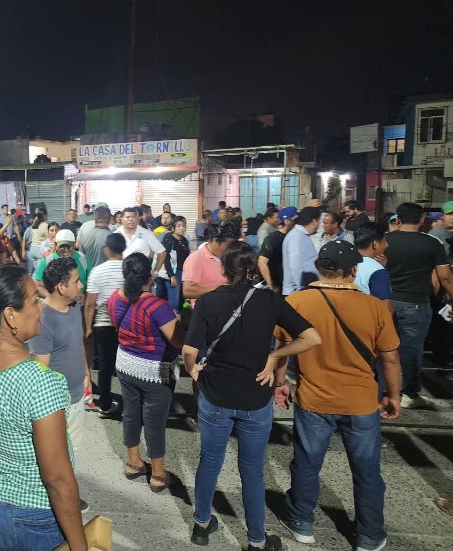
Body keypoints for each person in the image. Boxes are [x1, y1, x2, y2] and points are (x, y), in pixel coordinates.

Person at [183, 242, 320, 550]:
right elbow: (312, 337)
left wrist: (194, 370)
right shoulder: (271, 301)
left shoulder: (208, 301)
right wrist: (275, 356)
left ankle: (201, 525)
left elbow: (189, 350)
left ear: (223, 269)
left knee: (210, 461)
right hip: (255, 399)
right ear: (253, 269)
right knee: (252, 471)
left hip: (215, 395)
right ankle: (256, 540)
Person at [0, 264, 87, 551]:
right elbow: (58, 480)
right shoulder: (40, 381)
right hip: (30, 520)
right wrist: (79, 545)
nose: (41, 308)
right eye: (34, 301)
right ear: (10, 315)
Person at [274, 241, 402, 551]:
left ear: (319, 267)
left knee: (306, 463)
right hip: (361, 401)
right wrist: (393, 395)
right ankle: (369, 535)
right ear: (354, 270)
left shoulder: (296, 301)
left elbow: (283, 349)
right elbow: (390, 358)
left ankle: (302, 522)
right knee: (367, 471)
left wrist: (280, 383)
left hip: (314, 399)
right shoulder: (375, 306)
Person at [107, 253, 185, 493]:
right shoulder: (157, 306)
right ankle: (158, 475)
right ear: (149, 275)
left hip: (125, 364)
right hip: (155, 370)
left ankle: (134, 463)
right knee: (154, 421)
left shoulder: (114, 298)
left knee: (131, 414)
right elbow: (178, 340)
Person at [28, 258, 90, 510]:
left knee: (73, 452)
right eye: (76, 281)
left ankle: (66, 495)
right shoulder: (43, 321)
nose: (81, 285)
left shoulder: (73, 307)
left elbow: (78, 343)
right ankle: (56, 502)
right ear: (61, 287)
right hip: (57, 403)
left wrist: (86, 371)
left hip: (77, 395)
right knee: (55, 455)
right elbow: (41, 370)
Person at [384, 202, 453, 409]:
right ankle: (409, 393)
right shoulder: (432, 243)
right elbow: (444, 276)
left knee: (384, 346)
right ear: (422, 220)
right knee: (412, 349)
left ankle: (383, 389)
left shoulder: (384, 240)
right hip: (415, 303)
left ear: (398, 219)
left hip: (385, 301)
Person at [84, 232, 126, 415]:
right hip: (125, 325)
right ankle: (131, 404)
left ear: (107, 249)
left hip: (103, 324)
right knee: (127, 365)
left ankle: (105, 404)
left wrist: (88, 326)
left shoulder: (97, 271)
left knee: (105, 366)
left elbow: (90, 303)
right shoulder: (128, 269)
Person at [182, 222, 239, 306]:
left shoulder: (231, 256)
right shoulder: (196, 258)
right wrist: (221, 289)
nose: (233, 249)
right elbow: (188, 291)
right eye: (230, 245)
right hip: (207, 309)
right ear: (215, 241)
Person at [34, 229, 93, 298]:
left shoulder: (83, 259)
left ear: (74, 245)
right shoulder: (47, 261)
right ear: (56, 245)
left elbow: (92, 284)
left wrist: (85, 297)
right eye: (62, 246)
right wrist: (55, 298)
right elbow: (38, 286)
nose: (65, 250)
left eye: (68, 246)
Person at [281, 206, 321, 296]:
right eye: (319, 221)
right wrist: (302, 290)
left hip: (303, 290)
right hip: (297, 292)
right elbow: (295, 265)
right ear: (314, 221)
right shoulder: (297, 237)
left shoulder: (301, 235)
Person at [258, 207, 297, 293]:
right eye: (295, 220)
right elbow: (262, 262)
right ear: (287, 221)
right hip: (279, 285)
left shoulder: (295, 237)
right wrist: (271, 285)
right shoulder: (272, 239)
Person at [353, 222, 392, 309]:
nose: (387, 245)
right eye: (384, 241)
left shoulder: (344, 262)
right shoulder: (377, 270)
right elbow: (385, 308)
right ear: (375, 244)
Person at [116, 207, 166, 273]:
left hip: (142, 273)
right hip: (120, 273)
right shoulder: (116, 234)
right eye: (127, 217)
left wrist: (156, 271)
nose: (131, 219)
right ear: (121, 219)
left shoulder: (147, 233)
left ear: (138, 218)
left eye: (133, 217)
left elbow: (162, 252)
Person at [156, 216, 190, 310]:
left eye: (183, 226)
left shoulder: (184, 241)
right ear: (173, 228)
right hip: (171, 273)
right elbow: (166, 258)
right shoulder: (169, 239)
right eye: (179, 226)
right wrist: (172, 275)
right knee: (173, 301)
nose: (182, 228)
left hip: (181, 272)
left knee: (180, 300)